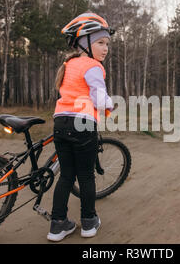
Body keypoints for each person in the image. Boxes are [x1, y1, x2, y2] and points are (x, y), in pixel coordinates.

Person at [47, 13, 115, 242]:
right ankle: (88, 222)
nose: (105, 49)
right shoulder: (93, 66)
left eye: (107, 44)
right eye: (100, 43)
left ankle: (57, 225)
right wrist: (110, 106)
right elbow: (99, 96)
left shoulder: (68, 64)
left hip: (60, 122)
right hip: (82, 125)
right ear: (83, 43)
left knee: (66, 175)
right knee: (86, 176)